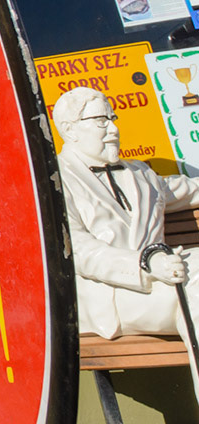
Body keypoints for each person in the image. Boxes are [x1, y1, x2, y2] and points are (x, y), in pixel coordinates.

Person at [53, 86, 199, 398]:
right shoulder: (53, 180)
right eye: (101, 121)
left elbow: (187, 189)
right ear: (69, 130)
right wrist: (147, 262)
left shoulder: (140, 173)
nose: (115, 128)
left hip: (167, 280)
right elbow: (76, 249)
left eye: (113, 118)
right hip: (111, 292)